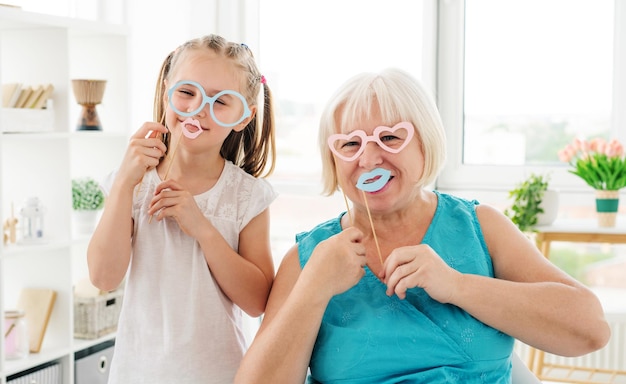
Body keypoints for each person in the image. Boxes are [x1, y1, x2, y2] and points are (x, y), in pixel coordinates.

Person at [234, 68, 610, 383]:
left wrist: (458, 286)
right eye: (349, 144)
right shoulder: (306, 259)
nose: (368, 158)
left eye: (390, 137)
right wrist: (311, 291)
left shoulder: (481, 227)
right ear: (333, 161)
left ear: (425, 145)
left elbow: (591, 330)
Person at [87, 34, 277, 384]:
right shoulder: (132, 182)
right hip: (136, 373)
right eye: (187, 92)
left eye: (221, 101)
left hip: (219, 374)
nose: (199, 109)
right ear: (166, 93)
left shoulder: (246, 195)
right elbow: (103, 277)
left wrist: (202, 227)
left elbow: (257, 302)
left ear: (244, 116)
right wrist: (124, 185)